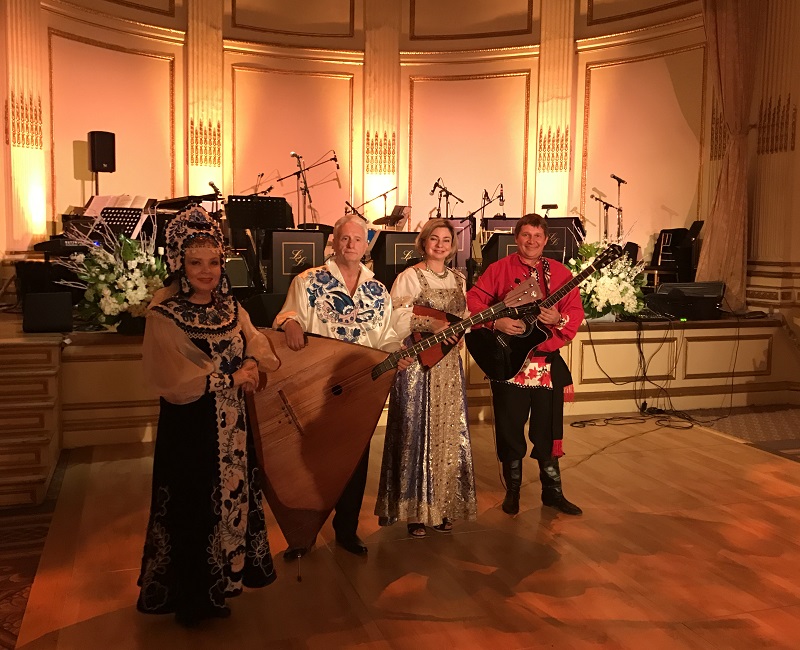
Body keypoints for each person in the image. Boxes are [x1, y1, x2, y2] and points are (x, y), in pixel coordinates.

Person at [136, 205, 281, 627]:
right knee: (193, 511)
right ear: (179, 262)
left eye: (213, 262)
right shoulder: (164, 315)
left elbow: (257, 343)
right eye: (195, 262)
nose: (206, 271)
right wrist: (236, 376)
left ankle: (223, 585)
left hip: (233, 428)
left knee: (229, 506)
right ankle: (193, 597)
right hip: (190, 431)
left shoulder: (232, 309)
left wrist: (254, 365)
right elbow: (177, 379)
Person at [273, 214, 411, 558]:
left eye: (357, 240)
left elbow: (388, 337)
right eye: (344, 239)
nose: (350, 245)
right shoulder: (309, 281)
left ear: (366, 245)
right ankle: (302, 535)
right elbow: (288, 314)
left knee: (354, 461)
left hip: (361, 386)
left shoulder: (378, 291)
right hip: (317, 385)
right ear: (333, 242)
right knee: (313, 463)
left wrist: (399, 353)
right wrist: (289, 321)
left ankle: (346, 531)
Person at [466, 213, 584, 517]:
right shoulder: (499, 269)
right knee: (509, 429)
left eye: (537, 236)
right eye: (526, 235)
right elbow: (474, 300)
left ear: (545, 240)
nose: (531, 241)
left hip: (545, 364)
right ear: (516, 238)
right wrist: (497, 321)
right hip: (509, 364)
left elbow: (574, 313)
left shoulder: (560, 274)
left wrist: (558, 319)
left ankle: (552, 493)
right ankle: (513, 492)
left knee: (547, 430)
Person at [375, 218, 477, 537]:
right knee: (414, 432)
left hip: (448, 367)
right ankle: (415, 512)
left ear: (453, 245)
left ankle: (443, 507)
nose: (440, 245)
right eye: (434, 239)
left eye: (446, 240)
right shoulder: (410, 276)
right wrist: (431, 324)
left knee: (446, 435)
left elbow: (466, 318)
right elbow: (395, 316)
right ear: (424, 242)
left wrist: (461, 331)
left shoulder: (459, 279)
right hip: (419, 363)